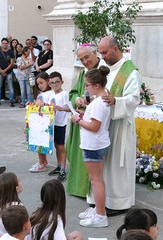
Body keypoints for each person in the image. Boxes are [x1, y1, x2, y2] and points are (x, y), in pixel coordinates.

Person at [98, 36, 141, 214]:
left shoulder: (130, 71)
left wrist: (116, 100)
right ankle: (105, 199)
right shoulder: (106, 69)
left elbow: (134, 99)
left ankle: (119, 203)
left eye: (105, 52)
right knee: (107, 165)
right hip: (107, 125)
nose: (103, 57)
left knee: (118, 166)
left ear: (115, 49)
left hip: (121, 127)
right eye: (100, 53)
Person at [71, 66, 111, 228]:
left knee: (96, 181)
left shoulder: (97, 103)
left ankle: (101, 216)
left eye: (87, 85)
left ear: (96, 85)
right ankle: (97, 210)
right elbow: (95, 120)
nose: (85, 88)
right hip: (98, 143)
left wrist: (78, 120)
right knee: (96, 179)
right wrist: (83, 115)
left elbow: (94, 126)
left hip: (94, 145)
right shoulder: (102, 100)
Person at [66, 43, 105, 198]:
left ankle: (89, 191)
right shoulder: (83, 73)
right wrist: (77, 100)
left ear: (95, 53)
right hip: (81, 116)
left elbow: (105, 94)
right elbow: (73, 92)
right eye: (81, 59)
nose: (84, 61)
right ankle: (78, 187)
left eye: (86, 57)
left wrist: (90, 101)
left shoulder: (102, 71)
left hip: (93, 119)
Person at [0, 172, 23, 240]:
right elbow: (23, 232)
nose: (21, 182)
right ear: (16, 188)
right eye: (19, 180)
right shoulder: (16, 208)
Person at [47, 71, 70, 182]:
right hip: (52, 123)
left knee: (61, 147)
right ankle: (59, 165)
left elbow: (70, 108)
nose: (54, 84)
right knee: (56, 146)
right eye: (51, 83)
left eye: (56, 82)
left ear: (62, 82)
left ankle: (63, 170)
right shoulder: (51, 95)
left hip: (61, 123)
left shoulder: (64, 94)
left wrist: (61, 108)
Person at [29, 72, 52, 173]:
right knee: (39, 142)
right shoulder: (41, 94)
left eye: (41, 83)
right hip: (38, 122)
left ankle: (42, 163)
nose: (40, 85)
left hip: (45, 122)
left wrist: (43, 105)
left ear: (48, 81)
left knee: (41, 143)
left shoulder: (50, 93)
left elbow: (51, 106)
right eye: (38, 84)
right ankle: (42, 161)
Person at [0, 37, 15, 107]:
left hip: (9, 72)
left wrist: (4, 71)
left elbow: (12, 63)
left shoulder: (11, 52)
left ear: (8, 44)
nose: (4, 45)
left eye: (6, 43)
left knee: (10, 87)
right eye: (3, 43)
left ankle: (11, 101)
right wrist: (1, 71)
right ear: (1, 44)